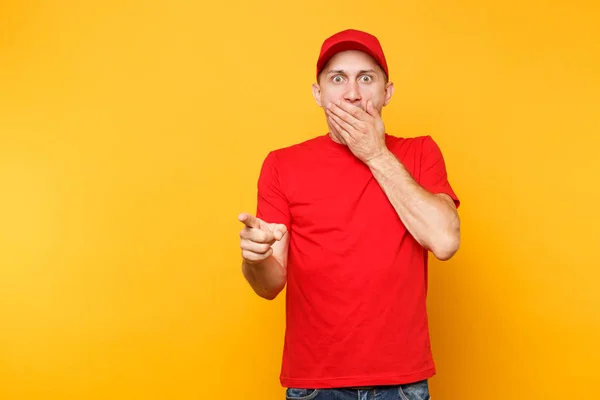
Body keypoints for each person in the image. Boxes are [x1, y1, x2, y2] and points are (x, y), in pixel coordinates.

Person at [237, 28, 461, 400]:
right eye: (337, 78)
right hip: (315, 384)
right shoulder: (281, 165)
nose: (353, 93)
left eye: (366, 78)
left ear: (387, 92)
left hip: (401, 384)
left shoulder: (421, 153)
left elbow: (445, 241)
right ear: (318, 94)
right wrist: (254, 259)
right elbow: (268, 285)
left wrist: (374, 153)